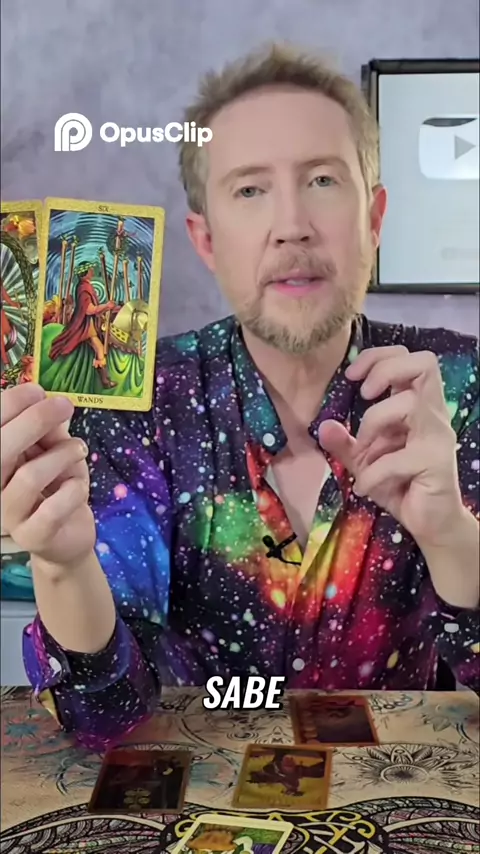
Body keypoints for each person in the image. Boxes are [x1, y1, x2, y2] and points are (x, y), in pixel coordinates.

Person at [1, 43, 478, 752]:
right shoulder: (143, 405)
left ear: (374, 219)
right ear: (206, 240)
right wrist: (61, 564)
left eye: (322, 179)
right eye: (250, 190)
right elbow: (109, 719)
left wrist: (453, 537)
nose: (292, 224)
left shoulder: (458, 386)